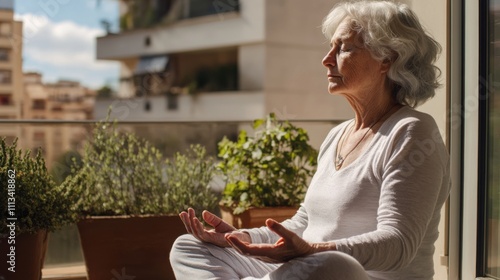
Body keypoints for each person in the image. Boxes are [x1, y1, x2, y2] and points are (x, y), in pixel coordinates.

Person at [170, 1, 450, 279]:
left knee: (331, 265)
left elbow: (399, 244)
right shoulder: (337, 135)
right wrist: (241, 237)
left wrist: (312, 250)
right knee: (190, 247)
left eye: (344, 48)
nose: (327, 59)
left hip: (346, 273)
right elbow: (305, 222)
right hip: (304, 266)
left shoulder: (412, 131)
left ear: (387, 58)